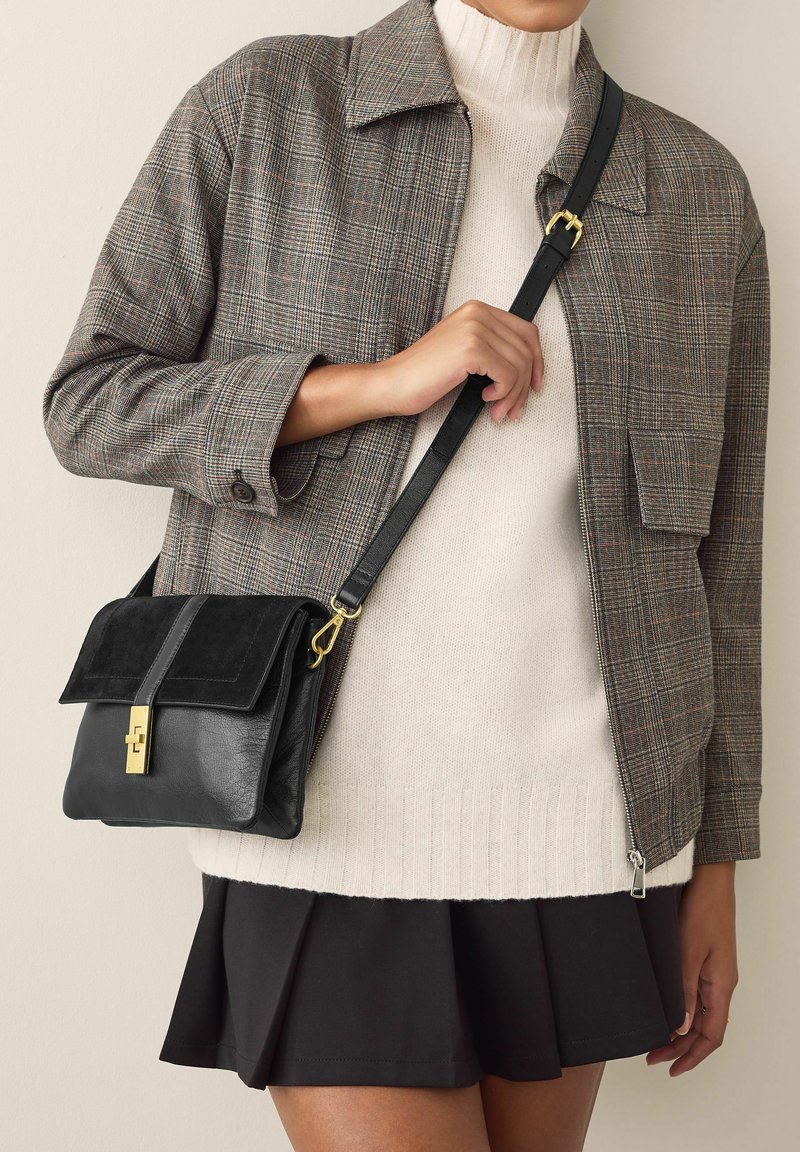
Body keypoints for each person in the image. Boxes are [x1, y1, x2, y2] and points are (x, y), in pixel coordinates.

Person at [43, 1, 769, 1149]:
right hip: (324, 821)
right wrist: (373, 384)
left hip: (585, 832)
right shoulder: (272, 107)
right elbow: (90, 403)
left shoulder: (696, 190)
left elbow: (723, 565)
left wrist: (714, 857)